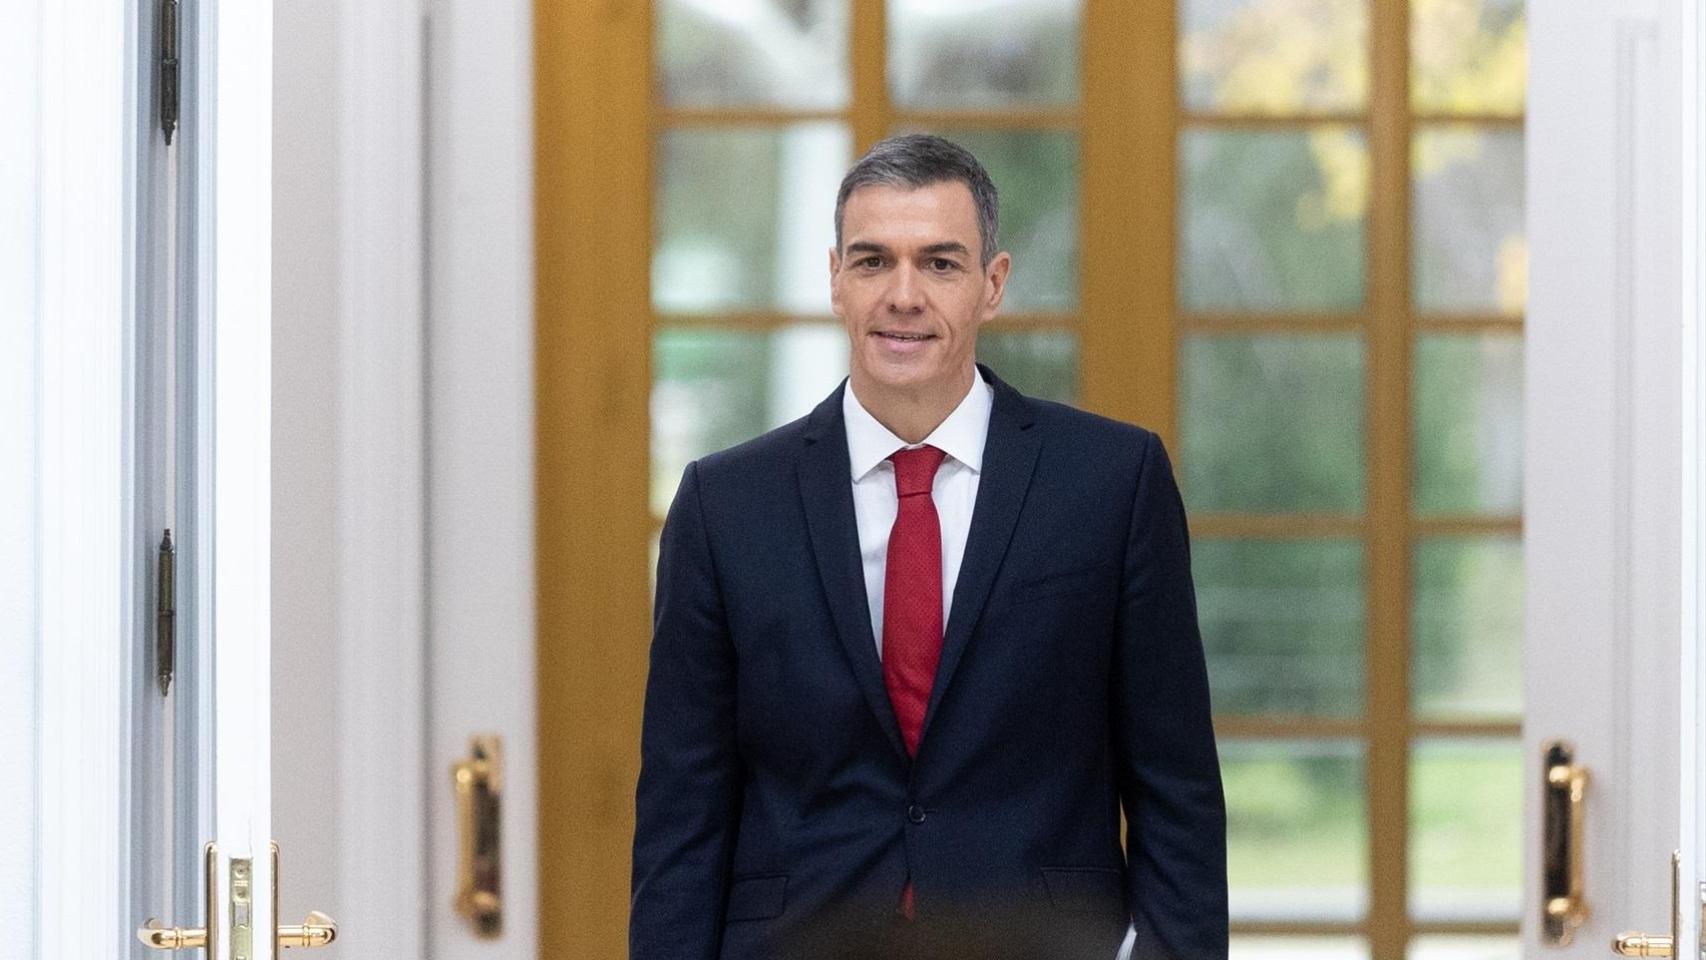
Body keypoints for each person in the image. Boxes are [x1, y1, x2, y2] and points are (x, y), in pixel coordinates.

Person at [631, 133, 1227, 960]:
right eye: (874, 262)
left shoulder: (1112, 482)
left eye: (940, 264)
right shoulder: (725, 505)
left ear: (994, 285)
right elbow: (681, 813)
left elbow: (1178, 788)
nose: (902, 295)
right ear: (835, 280)